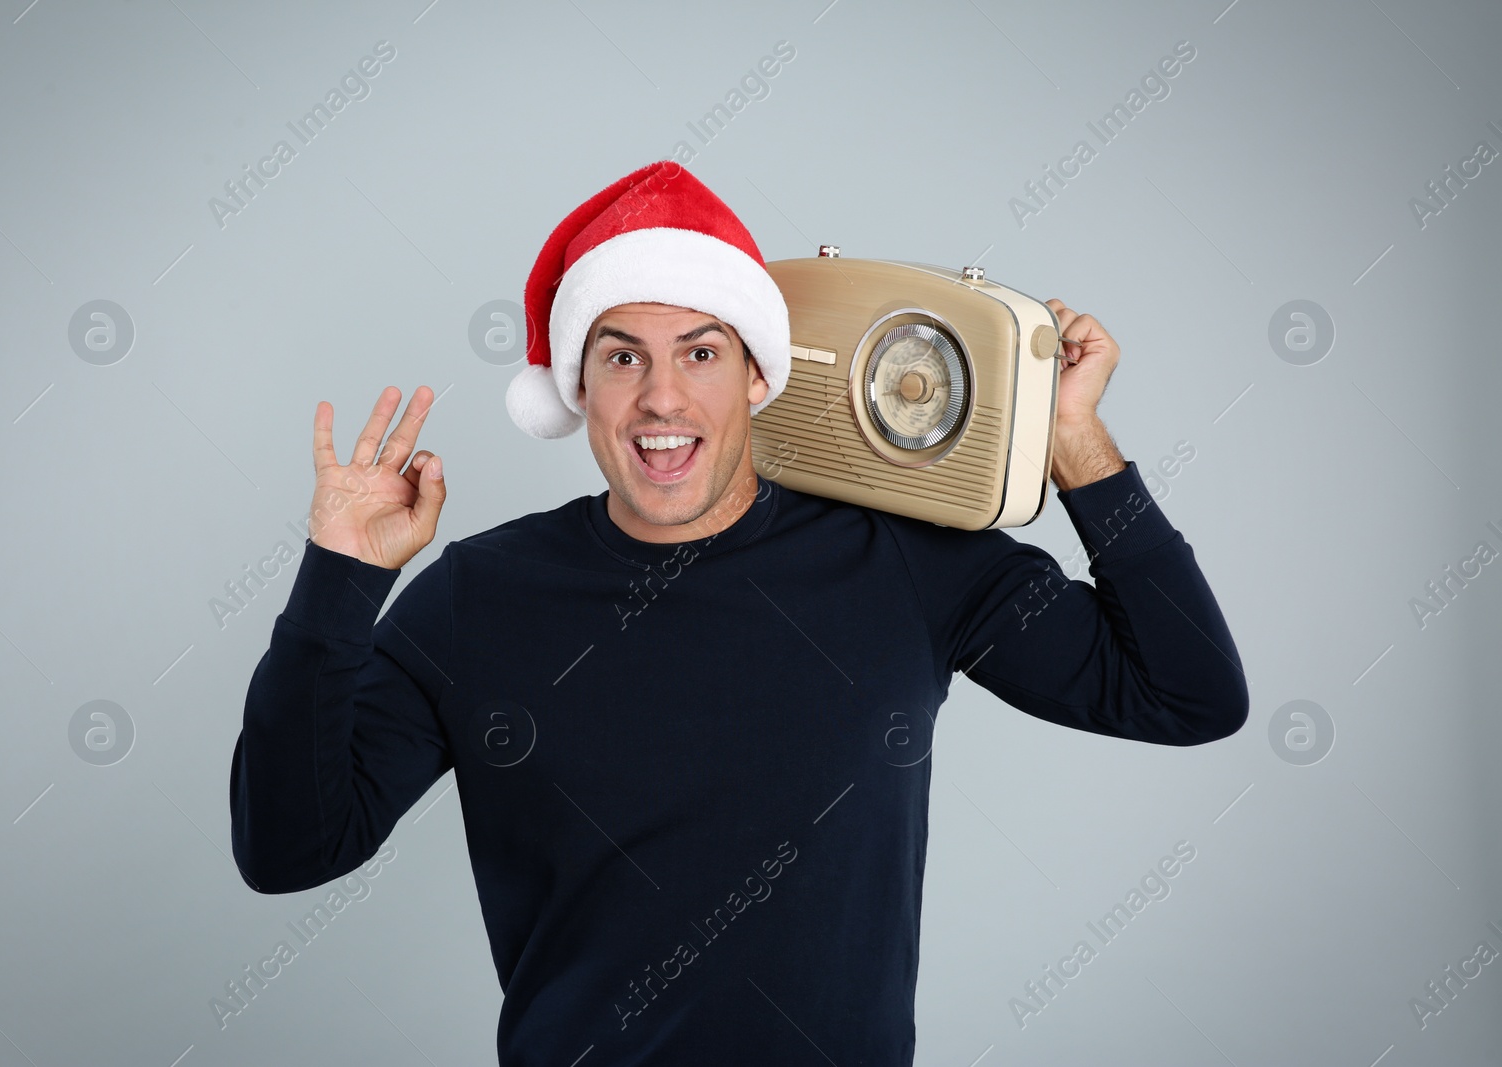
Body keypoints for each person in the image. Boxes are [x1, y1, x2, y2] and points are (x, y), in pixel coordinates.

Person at [229, 160, 1247, 1066]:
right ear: (577, 385)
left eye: (701, 353)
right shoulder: (476, 594)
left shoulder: (900, 558)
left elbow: (1187, 690)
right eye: (622, 355)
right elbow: (290, 850)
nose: (661, 398)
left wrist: (1077, 445)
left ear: (759, 372)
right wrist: (339, 578)